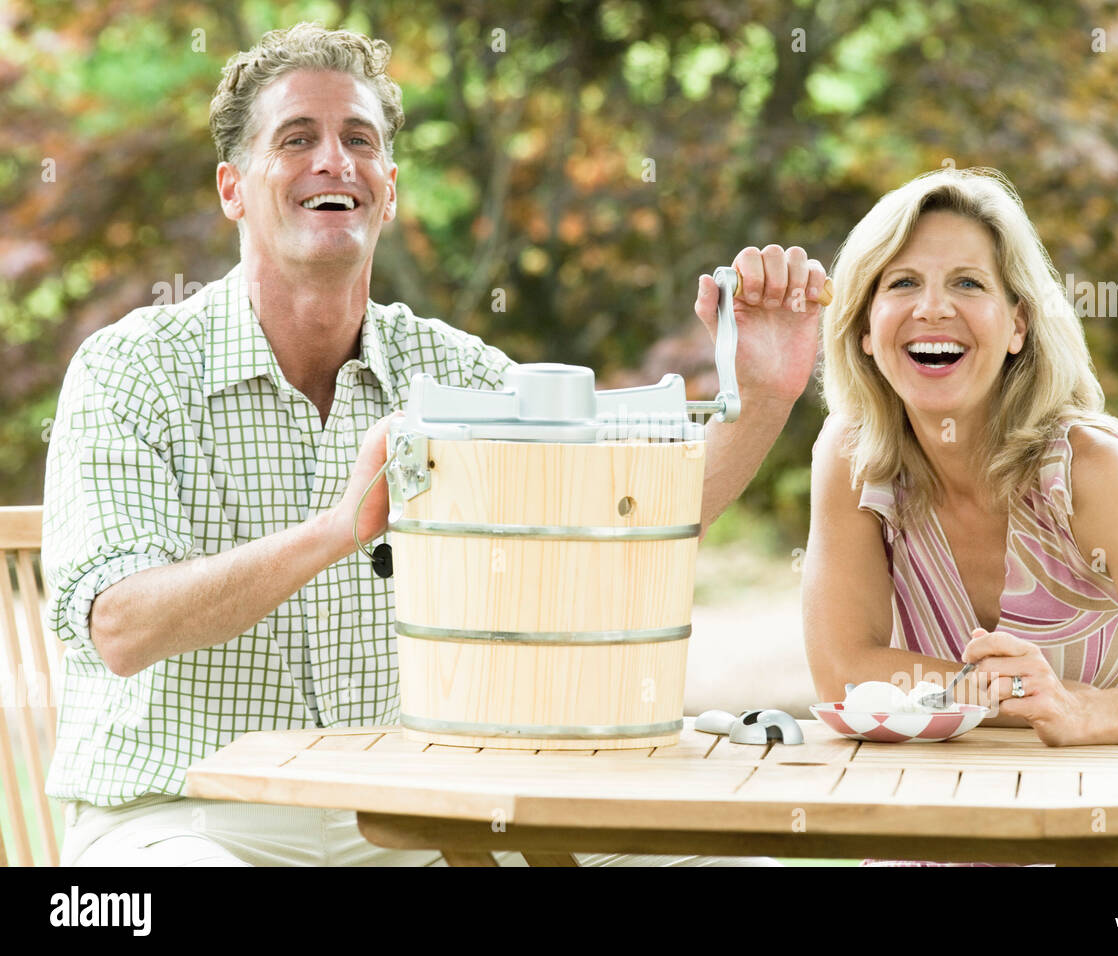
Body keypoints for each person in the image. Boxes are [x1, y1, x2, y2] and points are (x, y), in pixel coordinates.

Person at [43, 22, 826, 867]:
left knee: (731, 860)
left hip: (413, 813)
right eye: (297, 139)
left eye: (359, 141)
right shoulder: (132, 370)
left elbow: (632, 530)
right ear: (233, 187)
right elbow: (116, 626)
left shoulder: (453, 370)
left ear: (387, 186)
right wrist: (337, 527)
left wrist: (765, 394)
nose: (334, 160)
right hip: (181, 815)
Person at [802, 167, 1118, 865]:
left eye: (968, 283)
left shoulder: (1085, 469)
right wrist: (1007, 695)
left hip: (1113, 837)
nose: (933, 308)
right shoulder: (853, 456)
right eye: (902, 283)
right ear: (866, 330)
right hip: (943, 826)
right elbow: (845, 670)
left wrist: (1079, 709)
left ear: (1018, 323)